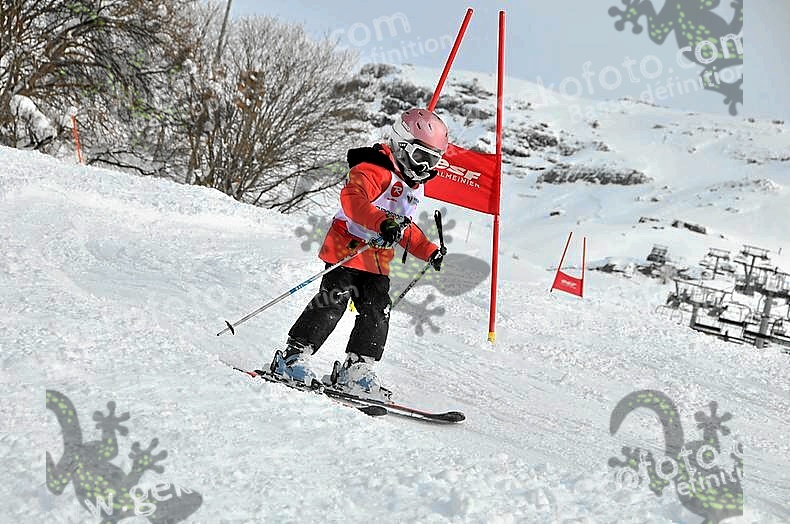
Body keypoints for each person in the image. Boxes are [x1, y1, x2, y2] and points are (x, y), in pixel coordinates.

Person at [269, 108, 449, 400]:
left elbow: (405, 227)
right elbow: (353, 201)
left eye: (433, 160)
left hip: (377, 260)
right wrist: (382, 222)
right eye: (420, 156)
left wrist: (429, 250)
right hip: (348, 249)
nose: (424, 167)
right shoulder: (372, 169)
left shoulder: (413, 187)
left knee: (378, 310)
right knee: (332, 301)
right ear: (401, 144)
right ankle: (292, 357)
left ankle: (357, 369)